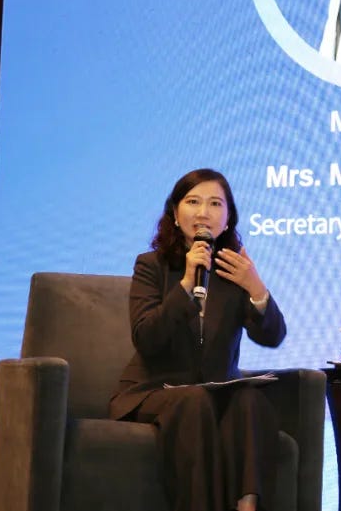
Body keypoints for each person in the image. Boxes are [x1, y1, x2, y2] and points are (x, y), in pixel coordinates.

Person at [109, 168, 286, 511]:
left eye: (215, 203)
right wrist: (187, 285)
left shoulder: (235, 271)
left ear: (228, 219)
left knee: (251, 399)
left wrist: (256, 288)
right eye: (193, 202)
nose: (204, 212)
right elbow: (147, 338)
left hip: (214, 393)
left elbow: (272, 336)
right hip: (154, 392)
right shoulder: (151, 266)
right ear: (175, 215)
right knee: (193, 401)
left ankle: (248, 506)